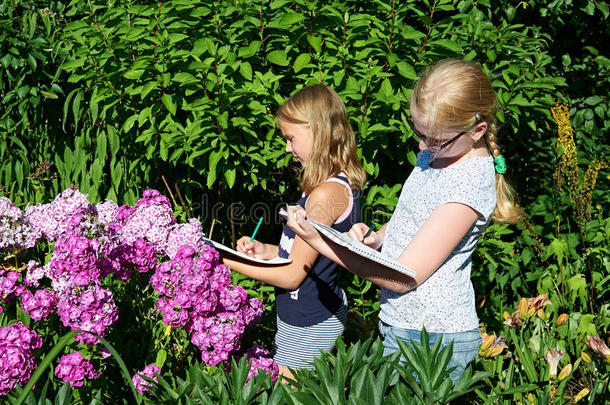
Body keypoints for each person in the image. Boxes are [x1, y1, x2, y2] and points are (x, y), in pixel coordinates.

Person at [286, 59, 522, 383]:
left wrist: (320, 242)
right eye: (419, 132)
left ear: (477, 130)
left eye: (434, 139)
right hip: (404, 327)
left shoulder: (469, 183)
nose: (422, 147)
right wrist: (377, 238)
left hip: (434, 343)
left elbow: (403, 278)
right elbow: (414, 215)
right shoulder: (439, 152)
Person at [221, 84, 366, 379]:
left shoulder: (326, 196)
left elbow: (292, 275)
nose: (287, 148)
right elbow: (301, 256)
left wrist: (224, 259)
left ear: (318, 131)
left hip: (310, 321)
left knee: (290, 394)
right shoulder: (322, 188)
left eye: (290, 138)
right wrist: (264, 251)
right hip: (303, 316)